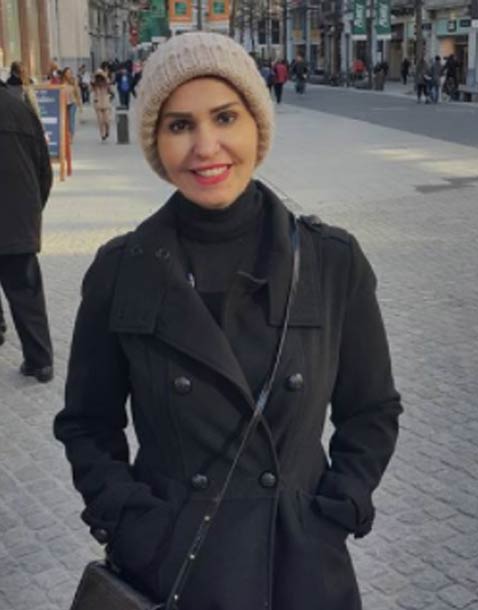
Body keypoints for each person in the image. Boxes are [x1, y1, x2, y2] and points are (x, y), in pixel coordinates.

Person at [54, 32, 402, 610]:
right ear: (157, 141)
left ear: (256, 126)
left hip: (301, 569)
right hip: (173, 569)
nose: (205, 146)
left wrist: (337, 509)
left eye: (224, 117)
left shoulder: (331, 260)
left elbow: (372, 409)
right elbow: (88, 424)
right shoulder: (121, 269)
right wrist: (133, 523)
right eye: (180, 125)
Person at [0, 80, 53, 382]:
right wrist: (32, 210)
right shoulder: (21, 110)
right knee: (26, 293)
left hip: (18, 220)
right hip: (18, 221)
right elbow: (44, 169)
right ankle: (40, 361)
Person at [91, 69, 113, 141]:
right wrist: (95, 76)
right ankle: (102, 134)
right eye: (98, 76)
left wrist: (104, 76)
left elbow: (110, 88)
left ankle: (107, 131)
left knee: (107, 120)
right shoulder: (94, 84)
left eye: (100, 76)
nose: (99, 78)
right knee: (100, 120)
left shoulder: (106, 83)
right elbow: (91, 86)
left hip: (106, 103)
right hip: (98, 103)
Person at [60, 67, 82, 140]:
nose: (69, 74)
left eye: (70, 72)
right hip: (64, 103)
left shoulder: (73, 81)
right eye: (67, 72)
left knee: (71, 119)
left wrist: (80, 104)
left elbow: (77, 92)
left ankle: (71, 136)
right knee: (65, 119)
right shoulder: (61, 82)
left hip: (72, 102)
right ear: (64, 73)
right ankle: (66, 134)